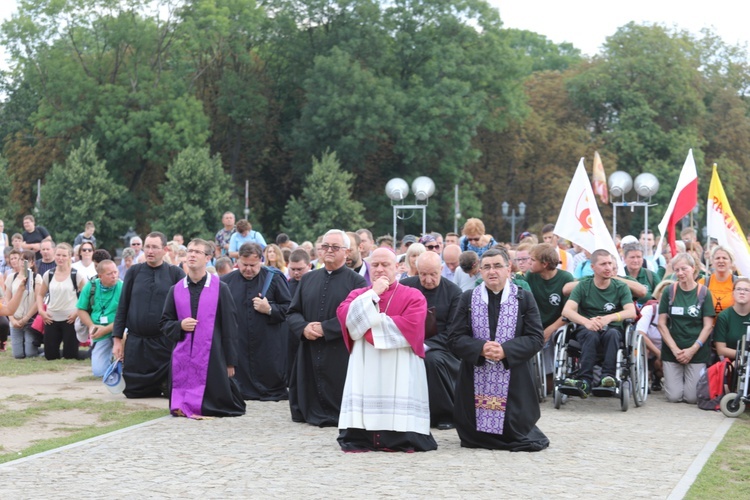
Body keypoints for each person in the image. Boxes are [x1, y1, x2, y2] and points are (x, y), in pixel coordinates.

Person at [336, 248, 437, 452]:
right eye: (375, 265)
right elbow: (345, 316)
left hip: (401, 363)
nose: (380, 269)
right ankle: (364, 436)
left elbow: (412, 324)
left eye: (386, 265)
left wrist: (367, 323)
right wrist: (373, 294)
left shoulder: (413, 295)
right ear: (368, 267)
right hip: (366, 361)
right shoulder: (359, 294)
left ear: (397, 267)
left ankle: (400, 437)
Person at [448, 248, 548, 451]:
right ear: (480, 271)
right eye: (486, 267)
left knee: (516, 429)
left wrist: (506, 351)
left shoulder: (524, 298)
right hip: (476, 372)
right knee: (473, 432)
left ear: (508, 268)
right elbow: (454, 337)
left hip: (513, 373)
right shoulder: (468, 298)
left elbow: (536, 337)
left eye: (497, 266)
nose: (492, 271)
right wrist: (480, 348)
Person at [287, 229, 367, 427]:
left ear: (347, 252)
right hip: (310, 346)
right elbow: (292, 312)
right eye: (325, 246)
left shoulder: (356, 281)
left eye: (335, 247)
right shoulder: (307, 278)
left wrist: (326, 328)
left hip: (339, 347)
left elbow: (356, 316)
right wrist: (304, 328)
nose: (329, 250)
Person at [160, 239, 245, 418]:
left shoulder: (220, 288)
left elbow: (230, 327)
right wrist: (180, 325)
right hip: (183, 355)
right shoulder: (175, 290)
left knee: (219, 403)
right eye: (190, 251)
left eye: (197, 252)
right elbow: (165, 323)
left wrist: (230, 361)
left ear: (207, 258)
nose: (192, 255)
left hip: (213, 355)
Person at [112, 232, 186, 398]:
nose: (150, 251)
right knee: (133, 393)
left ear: (165, 249)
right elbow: (122, 306)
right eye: (147, 247)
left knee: (170, 391)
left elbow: (184, 310)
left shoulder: (175, 274)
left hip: (164, 346)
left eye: (155, 247)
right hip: (137, 345)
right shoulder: (134, 272)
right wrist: (117, 339)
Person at [561, 249, 637, 396]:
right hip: (587, 329)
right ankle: (585, 381)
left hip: (612, 329)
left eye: (610, 263)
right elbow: (567, 311)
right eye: (603, 264)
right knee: (591, 334)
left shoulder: (620, 287)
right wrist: (586, 322)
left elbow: (631, 312)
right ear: (593, 267)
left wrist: (609, 318)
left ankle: (607, 378)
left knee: (613, 334)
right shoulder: (583, 286)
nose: (608, 267)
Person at [401, 251, 462, 430]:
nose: (428, 280)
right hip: (408, 343)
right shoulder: (405, 287)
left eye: (433, 274)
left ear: (441, 270)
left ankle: (444, 414)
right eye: (423, 274)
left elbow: (453, 331)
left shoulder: (454, 292)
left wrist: (424, 346)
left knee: (431, 361)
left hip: (442, 348)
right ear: (416, 270)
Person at [222, 243, 291, 401]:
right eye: (244, 264)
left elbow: (289, 309)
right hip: (239, 345)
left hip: (267, 344)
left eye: (252, 265)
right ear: (238, 261)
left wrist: (269, 309)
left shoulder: (274, 278)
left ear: (261, 260)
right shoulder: (226, 282)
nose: (248, 269)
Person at [657, 252, 715, 404]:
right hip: (672, 350)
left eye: (684, 269)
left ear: (693, 268)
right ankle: (672, 381)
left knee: (692, 398)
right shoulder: (669, 292)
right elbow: (662, 324)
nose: (680, 273)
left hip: (696, 351)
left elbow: (708, 326)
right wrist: (675, 349)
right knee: (674, 397)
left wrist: (692, 349)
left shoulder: (704, 293)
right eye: (676, 270)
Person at [36, 243, 88, 360]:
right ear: (54, 255)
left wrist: (77, 312)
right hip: (51, 319)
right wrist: (41, 311)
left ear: (69, 257)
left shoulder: (76, 274)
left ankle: (89, 353)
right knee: (50, 356)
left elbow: (86, 296)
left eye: (64, 255)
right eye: (58, 255)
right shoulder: (48, 274)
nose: (60, 258)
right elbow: (40, 295)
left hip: (70, 319)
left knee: (70, 356)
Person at [77, 260, 122, 377]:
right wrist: (91, 326)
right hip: (99, 332)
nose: (114, 276)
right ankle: (110, 362)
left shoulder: (123, 287)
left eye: (115, 272)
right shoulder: (91, 286)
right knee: (99, 372)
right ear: (100, 276)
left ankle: (123, 362)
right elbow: (81, 310)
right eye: (110, 273)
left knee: (127, 336)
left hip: (119, 330)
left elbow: (127, 317)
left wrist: (106, 329)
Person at [636, 280, 674, 392]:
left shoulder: (677, 312)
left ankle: (657, 378)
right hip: (646, 346)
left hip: (665, 348)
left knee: (663, 363)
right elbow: (640, 333)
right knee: (645, 350)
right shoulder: (650, 310)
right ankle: (644, 378)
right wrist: (658, 353)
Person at [6, 250, 42, 358]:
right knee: (18, 355)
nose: (23, 262)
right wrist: (12, 319)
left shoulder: (36, 278)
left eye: (27, 260)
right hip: (15, 319)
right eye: (22, 259)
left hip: (30, 320)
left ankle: (40, 349)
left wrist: (25, 319)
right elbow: (7, 300)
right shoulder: (11, 277)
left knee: (30, 354)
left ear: (32, 263)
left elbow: (38, 301)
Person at [714, 278, 750, 361]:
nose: (742, 292)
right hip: (730, 365)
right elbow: (721, 350)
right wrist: (744, 356)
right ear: (733, 293)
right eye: (738, 289)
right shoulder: (724, 316)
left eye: (746, 290)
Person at [699, 246, 737, 318]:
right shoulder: (702, 283)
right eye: (717, 258)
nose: (721, 261)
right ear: (712, 262)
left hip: (730, 327)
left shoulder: (738, 283)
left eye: (724, 258)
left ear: (731, 262)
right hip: (709, 328)